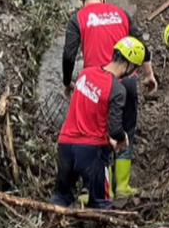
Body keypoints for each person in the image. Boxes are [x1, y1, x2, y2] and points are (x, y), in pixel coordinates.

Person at [62, 0, 156, 198]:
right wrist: (149, 74)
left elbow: (68, 54)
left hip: (96, 85)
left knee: (94, 133)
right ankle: (122, 186)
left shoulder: (78, 18)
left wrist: (68, 82)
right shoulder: (120, 13)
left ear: (81, 0)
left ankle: (95, 190)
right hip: (127, 81)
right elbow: (141, 45)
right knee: (126, 130)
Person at [52, 37, 146, 209]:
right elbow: (115, 128)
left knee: (61, 197)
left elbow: (88, 111)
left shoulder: (86, 73)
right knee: (101, 204)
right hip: (92, 152)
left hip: (65, 145)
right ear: (130, 64)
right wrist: (122, 138)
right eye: (136, 68)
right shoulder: (117, 89)